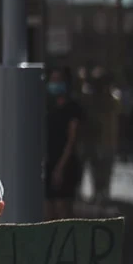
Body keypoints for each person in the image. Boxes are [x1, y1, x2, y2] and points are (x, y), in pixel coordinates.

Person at [44, 66, 85, 220]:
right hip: (49, 160)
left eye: (58, 80)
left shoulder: (73, 109)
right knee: (48, 208)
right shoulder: (48, 107)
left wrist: (60, 167)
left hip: (65, 162)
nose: (55, 84)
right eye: (52, 80)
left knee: (63, 207)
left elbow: (72, 140)